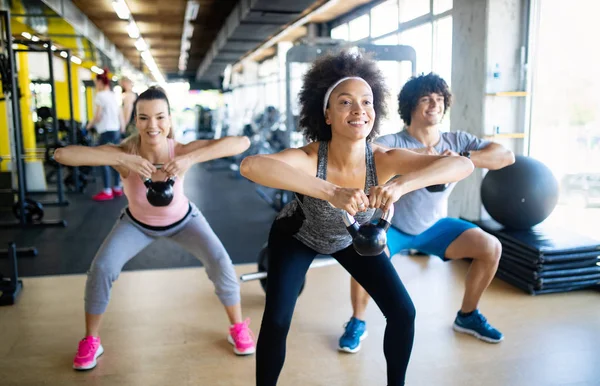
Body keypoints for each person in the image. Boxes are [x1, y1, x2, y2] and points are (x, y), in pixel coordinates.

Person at [240, 51, 474, 386]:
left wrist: (401, 186)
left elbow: (462, 166)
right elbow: (252, 166)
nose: (358, 110)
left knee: (403, 313)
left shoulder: (384, 159)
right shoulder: (311, 157)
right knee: (277, 321)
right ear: (328, 114)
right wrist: (331, 192)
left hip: (350, 239)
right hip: (296, 236)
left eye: (366, 102)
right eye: (345, 102)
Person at [53, 87, 257, 371]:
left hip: (185, 221)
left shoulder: (181, 150)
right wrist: (120, 160)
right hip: (137, 225)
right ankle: (91, 339)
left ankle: (237, 327)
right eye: (144, 118)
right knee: (101, 268)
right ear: (135, 121)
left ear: (170, 120)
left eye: (160, 117)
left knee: (220, 261)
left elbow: (242, 142)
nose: (153, 125)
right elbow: (63, 155)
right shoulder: (125, 152)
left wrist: (189, 159)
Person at [338, 73, 516, 354]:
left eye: (439, 99)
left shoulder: (457, 141)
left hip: (435, 227)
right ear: (411, 105)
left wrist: (461, 158)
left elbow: (505, 156)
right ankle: (357, 321)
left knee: (490, 247)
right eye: (426, 99)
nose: (434, 104)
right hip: (391, 227)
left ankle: (467, 316)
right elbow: (359, 161)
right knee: (365, 254)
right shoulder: (393, 142)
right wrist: (424, 159)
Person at [86, 71, 125, 201]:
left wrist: (87, 127)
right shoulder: (113, 95)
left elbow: (98, 116)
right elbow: (120, 114)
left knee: (104, 160)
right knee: (115, 159)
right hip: (115, 131)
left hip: (106, 131)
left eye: (96, 83)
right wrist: (122, 128)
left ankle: (107, 190)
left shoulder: (100, 95)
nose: (96, 85)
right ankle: (117, 187)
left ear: (101, 82)